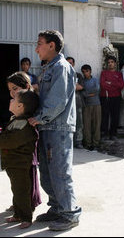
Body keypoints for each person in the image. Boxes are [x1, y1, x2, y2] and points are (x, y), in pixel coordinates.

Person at [28, 30, 82, 231]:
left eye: (40, 43)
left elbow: (58, 100)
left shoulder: (61, 67)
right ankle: (57, 208)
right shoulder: (49, 68)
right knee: (48, 172)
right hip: (47, 127)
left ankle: (70, 213)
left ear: (52, 45)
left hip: (57, 127)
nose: (36, 48)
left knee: (60, 172)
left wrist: (39, 118)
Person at [0, 89, 40, 229]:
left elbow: (10, 141)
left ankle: (26, 217)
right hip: (13, 163)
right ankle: (18, 214)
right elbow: (8, 136)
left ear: (20, 106)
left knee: (22, 191)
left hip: (20, 164)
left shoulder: (24, 124)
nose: (10, 100)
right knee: (17, 190)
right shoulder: (16, 120)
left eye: (13, 99)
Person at [100, 55, 124, 141]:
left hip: (116, 97)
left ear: (115, 63)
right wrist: (114, 84)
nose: (110, 64)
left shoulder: (119, 74)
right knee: (105, 116)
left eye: (112, 62)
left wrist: (110, 83)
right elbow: (103, 85)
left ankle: (113, 134)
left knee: (115, 116)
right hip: (105, 97)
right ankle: (104, 134)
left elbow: (121, 85)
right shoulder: (104, 73)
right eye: (109, 62)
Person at [81, 64, 101, 150]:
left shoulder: (95, 80)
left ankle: (96, 143)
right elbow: (83, 94)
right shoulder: (82, 82)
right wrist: (90, 94)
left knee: (96, 124)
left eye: (87, 71)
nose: (85, 73)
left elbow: (97, 90)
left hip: (96, 104)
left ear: (90, 71)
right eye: (84, 72)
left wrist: (88, 93)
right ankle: (88, 143)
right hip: (86, 105)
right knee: (87, 125)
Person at [66, 56, 85, 148]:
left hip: (77, 103)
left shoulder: (78, 75)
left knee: (79, 124)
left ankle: (79, 142)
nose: (69, 64)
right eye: (67, 62)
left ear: (73, 64)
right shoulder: (62, 74)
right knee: (67, 125)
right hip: (65, 105)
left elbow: (80, 87)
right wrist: (74, 85)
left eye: (71, 63)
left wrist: (68, 86)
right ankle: (69, 142)